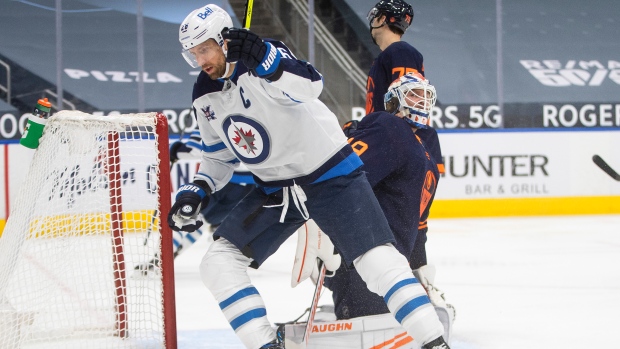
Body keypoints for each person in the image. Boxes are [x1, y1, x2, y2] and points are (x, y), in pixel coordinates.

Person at [169, 4, 449, 349]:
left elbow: (311, 85)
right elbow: (217, 155)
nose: (200, 60)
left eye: (205, 49)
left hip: (330, 175)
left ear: (225, 40)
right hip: (277, 190)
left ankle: (433, 342)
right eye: (193, 53)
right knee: (218, 263)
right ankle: (267, 345)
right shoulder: (204, 91)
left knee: (377, 260)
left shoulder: (264, 55)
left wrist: (265, 58)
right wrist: (195, 190)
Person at [364, 0, 453, 319]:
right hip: (398, 145)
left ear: (384, 20)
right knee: (398, 222)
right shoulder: (391, 55)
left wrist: (380, 137)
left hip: (407, 147)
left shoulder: (400, 53)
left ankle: (410, 293)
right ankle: (409, 289)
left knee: (402, 224)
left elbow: (410, 102)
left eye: (376, 16)